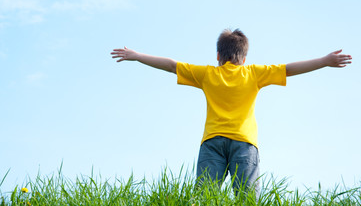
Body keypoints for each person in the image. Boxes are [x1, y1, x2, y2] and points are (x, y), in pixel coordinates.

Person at [110, 29, 352, 198]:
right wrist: (324, 60)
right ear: (244, 58)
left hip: (212, 143)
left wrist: (138, 56)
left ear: (218, 56)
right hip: (244, 144)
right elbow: (288, 69)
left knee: (204, 197)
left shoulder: (207, 74)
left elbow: (172, 65)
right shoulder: (253, 74)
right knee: (247, 199)